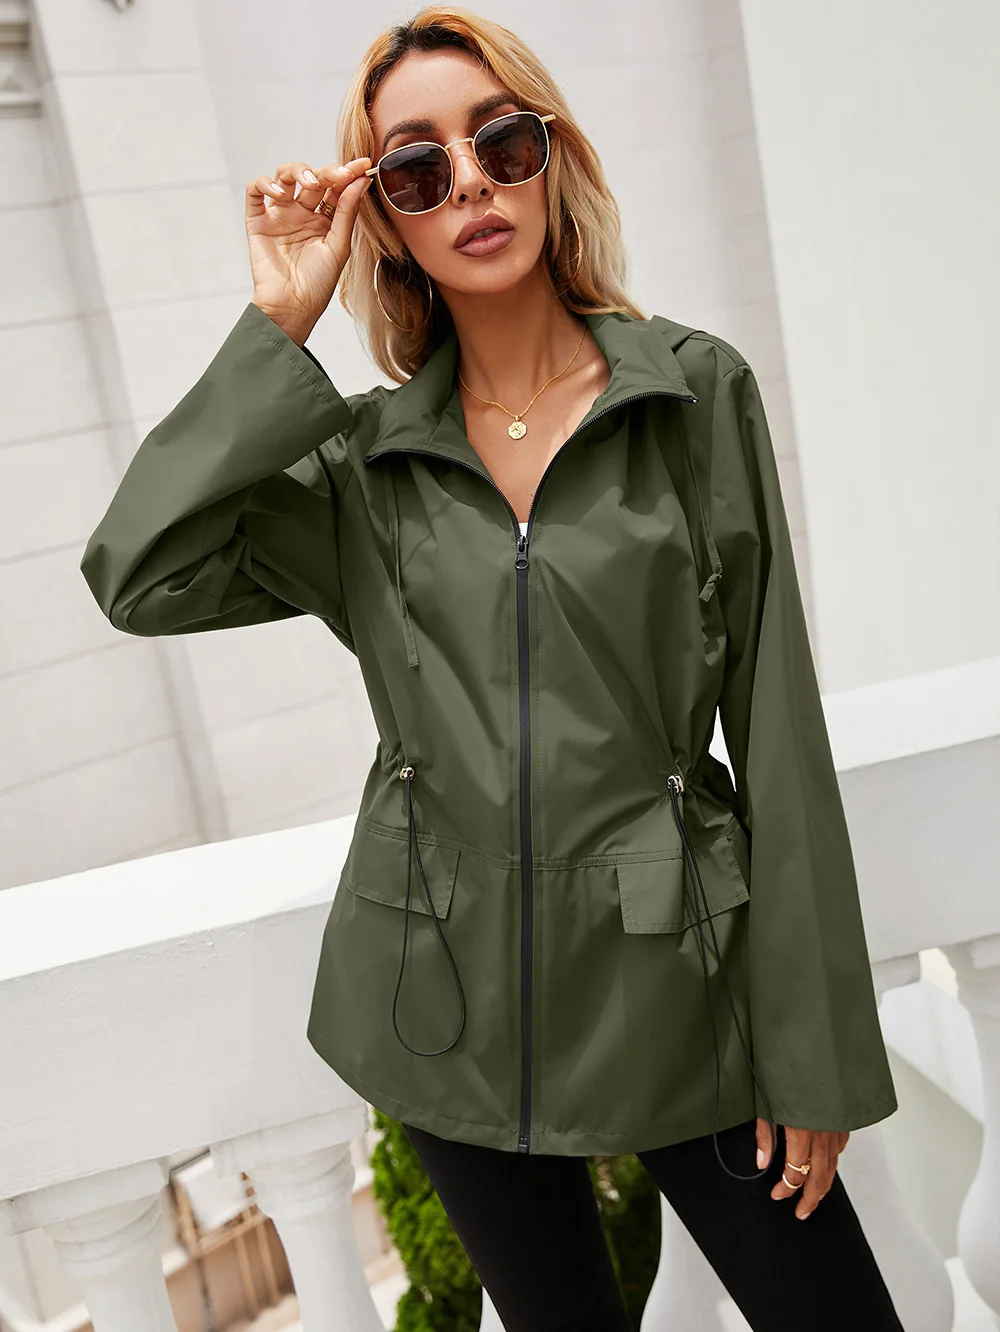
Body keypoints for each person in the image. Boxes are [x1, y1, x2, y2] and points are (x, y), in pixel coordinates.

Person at [80, 6, 904, 1328]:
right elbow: (138, 570)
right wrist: (279, 320)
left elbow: (778, 727)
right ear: (385, 217)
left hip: (680, 981)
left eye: (500, 142)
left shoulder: (692, 398)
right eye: (416, 168)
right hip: (441, 996)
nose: (468, 181)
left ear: (549, 157)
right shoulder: (365, 466)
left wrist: (812, 1049)